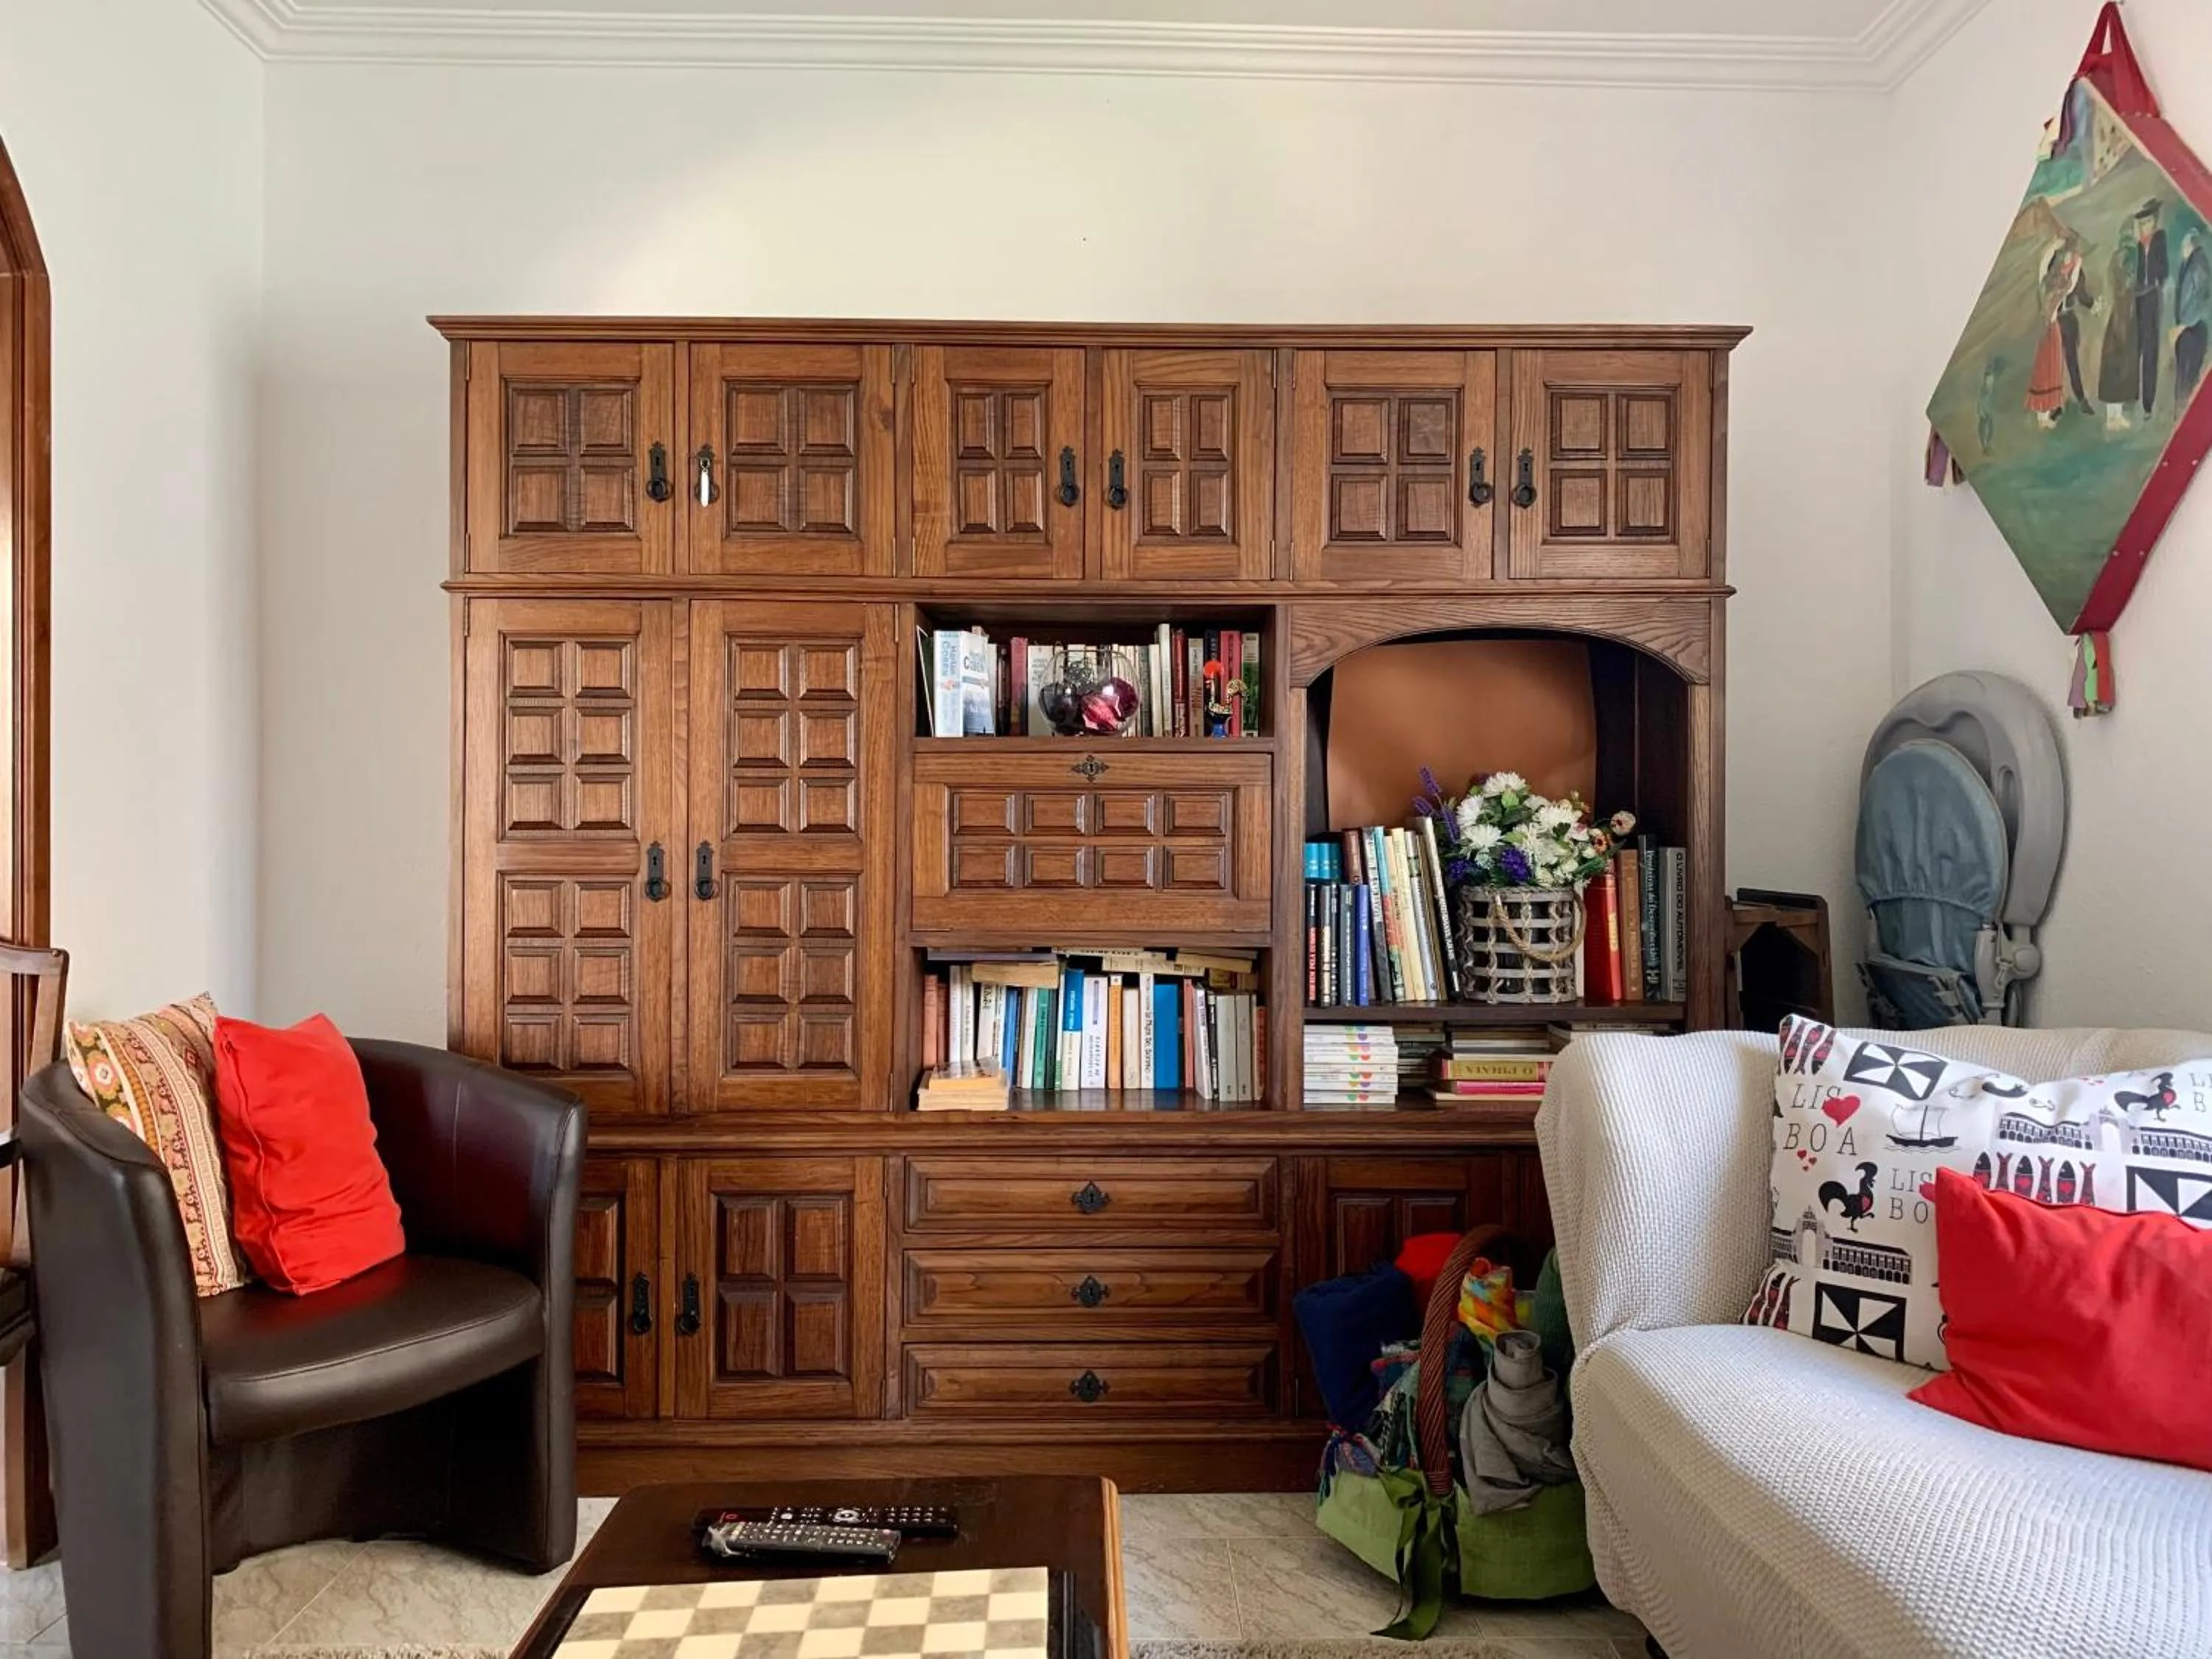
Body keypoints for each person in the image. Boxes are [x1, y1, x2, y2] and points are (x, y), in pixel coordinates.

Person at [2098, 225, 2143, 429]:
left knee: (2119, 366)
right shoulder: (2125, 258)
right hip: (2122, 317)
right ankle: (2113, 417)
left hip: (2122, 316)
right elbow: (2124, 285)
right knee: (2118, 366)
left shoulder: (2119, 259)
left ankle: (2115, 415)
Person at [2132, 198, 2171, 415]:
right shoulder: (2138, 245)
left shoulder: (2159, 238)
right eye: (2142, 223)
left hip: (2152, 297)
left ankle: (2148, 403)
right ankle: (2133, 395)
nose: (2144, 226)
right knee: (2135, 347)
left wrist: (2160, 283)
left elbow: (2163, 267)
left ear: (2154, 222)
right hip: (2139, 297)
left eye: (2147, 222)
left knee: (2150, 349)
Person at [2175, 228, 2211, 406]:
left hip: (2194, 329)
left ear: (2191, 245)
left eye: (2184, 245)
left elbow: (2202, 300)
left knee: (2189, 377)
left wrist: (2185, 324)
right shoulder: (2188, 264)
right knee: (2184, 376)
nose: (2182, 248)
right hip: (2187, 329)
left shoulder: (2199, 265)